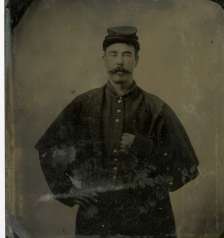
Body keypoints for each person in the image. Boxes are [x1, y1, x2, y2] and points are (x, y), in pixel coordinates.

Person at [35, 26, 199, 237]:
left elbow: (188, 167)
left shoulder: (156, 108)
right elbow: (48, 148)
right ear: (104, 59)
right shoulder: (84, 104)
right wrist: (68, 191)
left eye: (126, 54)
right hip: (96, 220)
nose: (119, 61)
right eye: (113, 54)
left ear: (137, 60)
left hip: (149, 220)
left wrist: (144, 148)